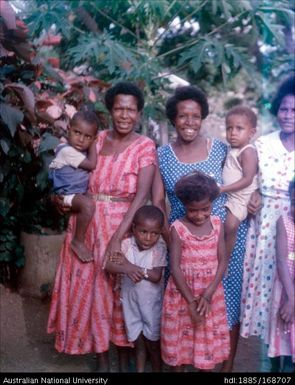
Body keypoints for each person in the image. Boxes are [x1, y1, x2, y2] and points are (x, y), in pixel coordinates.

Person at [47, 81, 156, 372]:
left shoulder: (145, 146)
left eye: (131, 110)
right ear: (110, 111)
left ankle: (122, 363)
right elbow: (65, 171)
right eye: (119, 108)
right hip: (86, 224)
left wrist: (118, 238)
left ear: (139, 114)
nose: (124, 115)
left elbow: (141, 197)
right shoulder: (95, 138)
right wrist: (61, 199)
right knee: (90, 292)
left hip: (122, 226)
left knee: (118, 296)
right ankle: (102, 361)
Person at [152, 85, 249, 372]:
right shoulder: (163, 154)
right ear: (173, 119)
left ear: (203, 117)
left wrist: (252, 196)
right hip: (181, 245)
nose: (189, 122)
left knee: (226, 307)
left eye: (195, 116)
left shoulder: (220, 149)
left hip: (221, 244)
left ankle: (225, 369)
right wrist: (168, 236)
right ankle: (186, 362)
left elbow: (243, 179)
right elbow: (158, 199)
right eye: (183, 116)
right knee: (184, 308)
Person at [240, 75, 295, 361]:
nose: (288, 115)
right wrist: (254, 196)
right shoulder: (263, 144)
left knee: (290, 287)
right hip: (264, 228)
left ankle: (289, 357)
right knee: (266, 289)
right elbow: (250, 181)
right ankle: (268, 359)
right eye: (284, 109)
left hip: (294, 224)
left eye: (294, 111)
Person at [161, 171, 230, 371]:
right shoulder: (178, 228)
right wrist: (191, 300)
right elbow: (174, 267)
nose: (199, 215)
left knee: (206, 343)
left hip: (210, 292)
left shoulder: (217, 224)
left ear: (212, 204)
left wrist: (208, 294)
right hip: (183, 295)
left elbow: (222, 260)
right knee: (180, 349)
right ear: (184, 205)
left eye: (205, 209)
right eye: (193, 210)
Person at [104, 205, 167, 372]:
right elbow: (108, 264)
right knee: (138, 345)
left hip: (151, 307)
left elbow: (156, 276)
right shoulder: (125, 244)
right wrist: (126, 268)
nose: (148, 238)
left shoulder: (159, 248)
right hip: (130, 305)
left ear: (160, 233)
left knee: (153, 345)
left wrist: (130, 266)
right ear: (134, 228)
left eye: (154, 233)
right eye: (143, 232)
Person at [49, 110, 98, 262]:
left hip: (72, 193)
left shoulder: (75, 151)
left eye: (87, 137)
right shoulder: (67, 151)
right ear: (68, 128)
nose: (81, 140)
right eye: (77, 132)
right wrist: (93, 143)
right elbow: (92, 164)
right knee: (88, 206)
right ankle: (78, 241)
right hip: (66, 194)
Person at [220, 106, 258, 263]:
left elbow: (248, 179)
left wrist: (222, 188)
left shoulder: (248, 151)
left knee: (230, 225)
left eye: (239, 128)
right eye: (229, 128)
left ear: (251, 133)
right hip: (230, 194)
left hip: (242, 197)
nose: (233, 132)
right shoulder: (231, 149)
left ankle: (224, 261)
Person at [268, 179, 295, 372]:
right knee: (280, 335)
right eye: (294, 202)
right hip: (285, 287)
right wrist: (291, 299)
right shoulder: (283, 221)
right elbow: (281, 260)